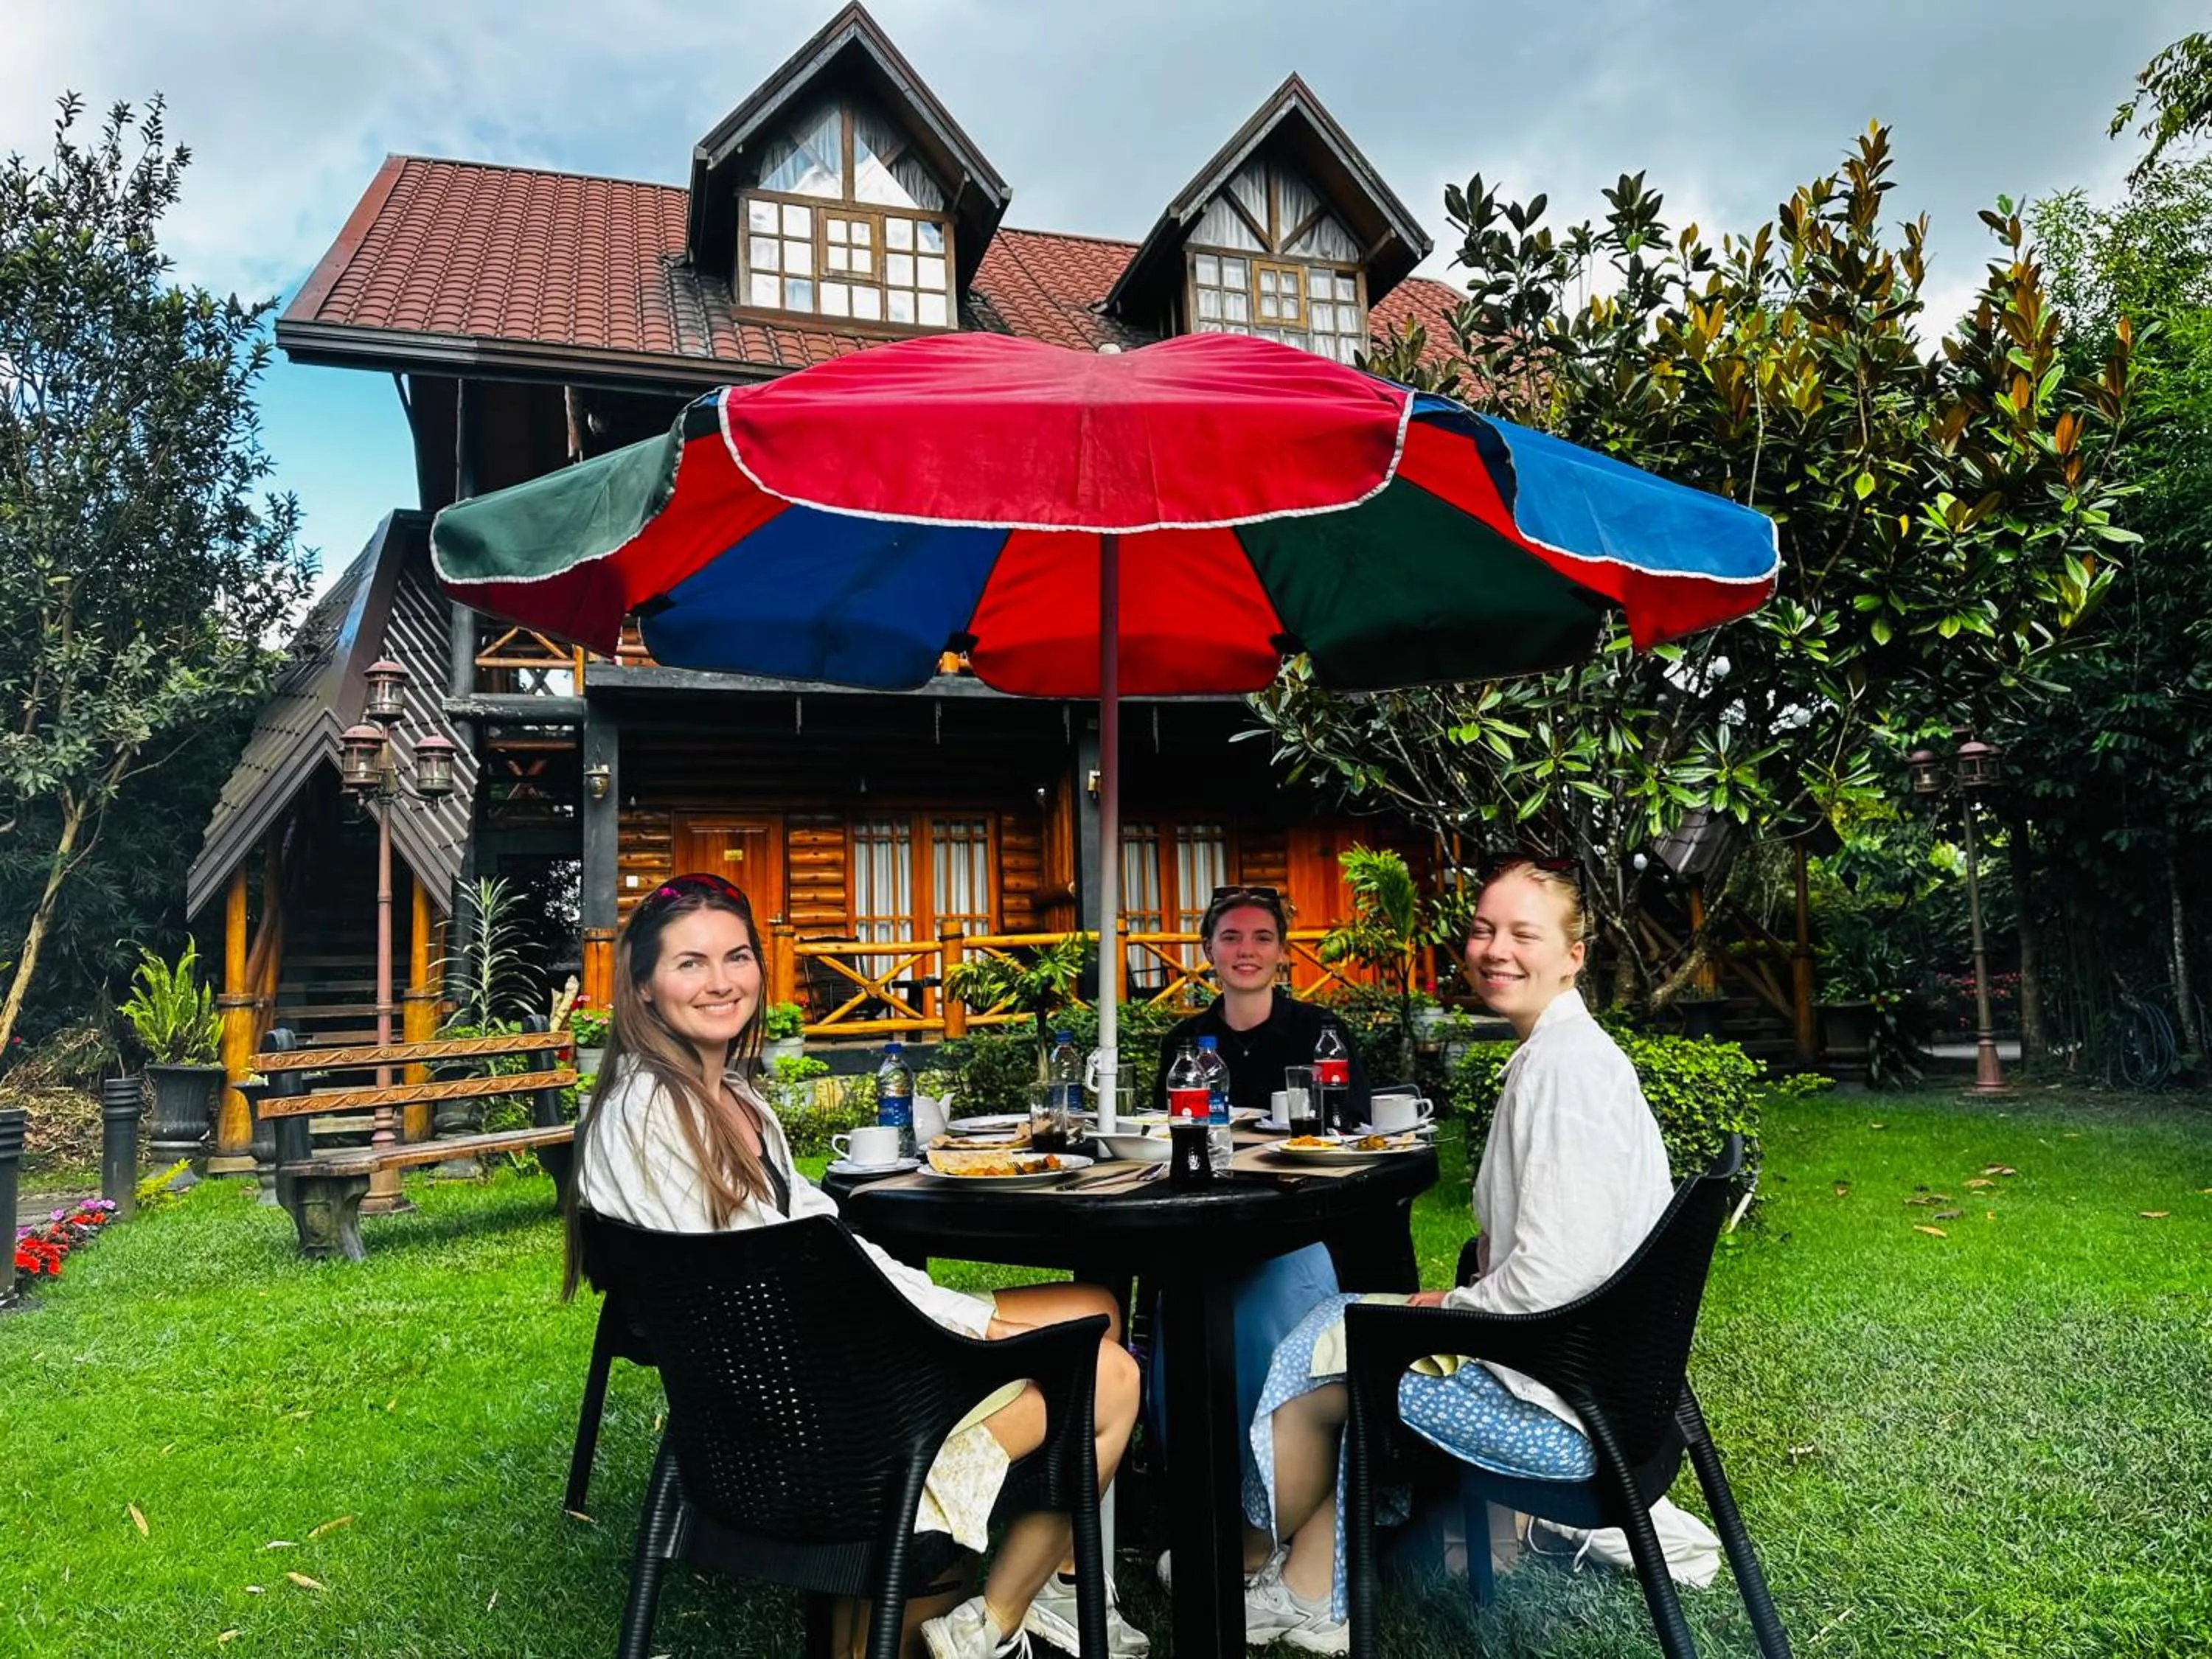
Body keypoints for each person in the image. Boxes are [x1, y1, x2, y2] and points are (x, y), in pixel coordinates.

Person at [564, 872, 1150, 1659]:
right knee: (1108, 1375)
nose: (722, 981)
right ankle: (990, 1622)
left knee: (1095, 1305)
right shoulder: (651, 1117)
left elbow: (811, 1253)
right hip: (817, 1422)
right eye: (690, 964)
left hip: (804, 1370)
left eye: (737, 957)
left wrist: (959, 1313)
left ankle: (1063, 1584)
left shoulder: (732, 1100)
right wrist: (958, 1333)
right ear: (643, 988)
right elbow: (782, 1298)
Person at [1235, 858, 1681, 1655]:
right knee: (1342, 1324)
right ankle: (1301, 1576)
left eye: (1523, 934)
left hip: (1570, 1415)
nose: (1495, 949)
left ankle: (1276, 1572)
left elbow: (1552, 1280)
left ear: (1574, 954)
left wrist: (1445, 1308)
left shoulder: (1565, 1074)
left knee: (1321, 1351)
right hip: (1610, 1391)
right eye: (1482, 930)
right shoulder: (1567, 1056)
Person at [1142, 883, 1371, 1593]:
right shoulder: (1186, 1043)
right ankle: (1207, 1486)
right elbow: (1165, 1141)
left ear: (1282, 952)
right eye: (1232, 938)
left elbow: (1352, 1129)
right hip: (1206, 1223)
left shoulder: (1319, 1032)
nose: (1247, 951)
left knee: (1280, 1292)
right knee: (1193, 1294)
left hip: (1296, 1225)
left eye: (1261, 938)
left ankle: (1282, 1503)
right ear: (1208, 951)